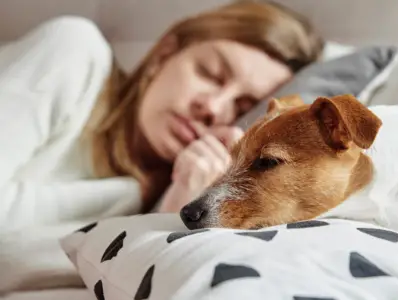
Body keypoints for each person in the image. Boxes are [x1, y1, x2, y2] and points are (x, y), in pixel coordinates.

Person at [0, 0, 323, 293]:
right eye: (210, 73)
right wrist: (139, 195)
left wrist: (167, 214)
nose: (213, 107)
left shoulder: (179, 197)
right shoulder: (74, 51)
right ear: (164, 55)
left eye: (242, 107)